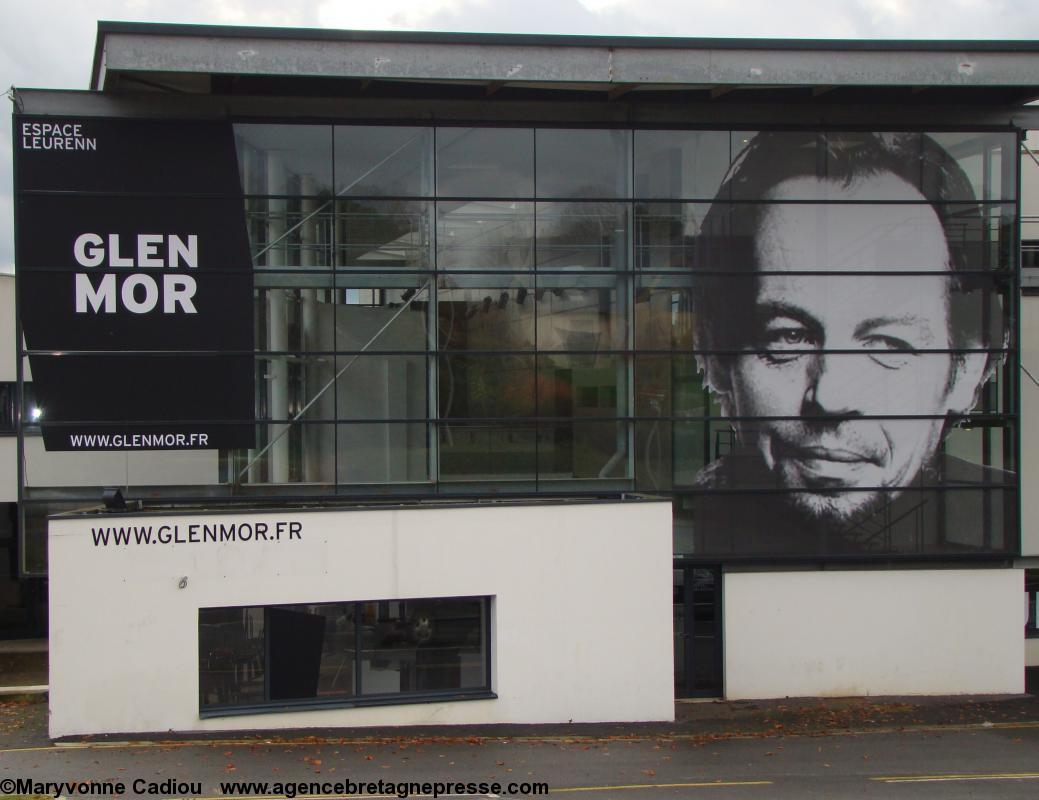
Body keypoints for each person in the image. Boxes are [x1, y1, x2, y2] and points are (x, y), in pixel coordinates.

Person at [688, 132, 1011, 554]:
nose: (830, 396)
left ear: (965, 371)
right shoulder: (680, 518)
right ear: (716, 358)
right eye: (788, 337)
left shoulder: (1001, 520)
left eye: (888, 346)